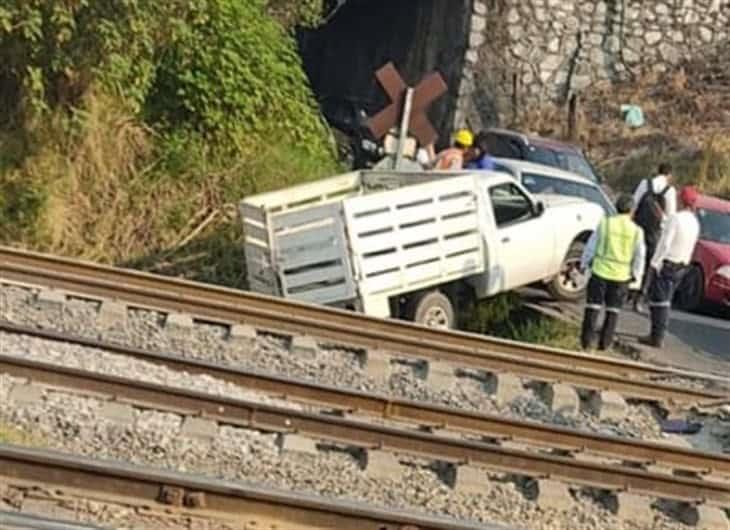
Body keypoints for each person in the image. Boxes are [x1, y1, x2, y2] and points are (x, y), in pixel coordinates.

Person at [579, 194, 646, 351]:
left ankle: (586, 342)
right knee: (612, 312)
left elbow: (591, 246)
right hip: (621, 277)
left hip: (600, 272)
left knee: (593, 308)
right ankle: (605, 343)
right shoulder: (636, 231)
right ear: (632, 211)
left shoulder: (605, 224)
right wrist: (636, 278)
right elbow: (640, 256)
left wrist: (584, 263)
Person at [640, 186, 701, 348]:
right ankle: (656, 334)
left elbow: (665, 243)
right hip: (682, 264)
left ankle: (656, 336)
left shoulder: (676, 218)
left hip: (668, 263)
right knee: (666, 299)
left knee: (659, 301)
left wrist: (655, 262)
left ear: (681, 200)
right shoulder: (694, 222)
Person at [629, 162, 677, 312]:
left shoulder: (645, 183)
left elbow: (633, 203)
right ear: (669, 175)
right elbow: (671, 215)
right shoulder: (669, 191)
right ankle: (639, 298)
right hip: (655, 232)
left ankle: (627, 290)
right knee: (649, 264)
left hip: (638, 227)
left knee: (633, 258)